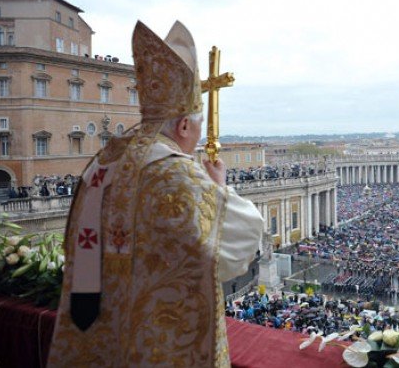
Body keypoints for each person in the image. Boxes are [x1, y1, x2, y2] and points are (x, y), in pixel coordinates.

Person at [47, 21, 263, 367]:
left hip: (98, 335)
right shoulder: (177, 171)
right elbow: (238, 245)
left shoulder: (102, 163)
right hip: (160, 346)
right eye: (197, 128)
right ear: (183, 126)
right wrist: (218, 188)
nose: (195, 137)